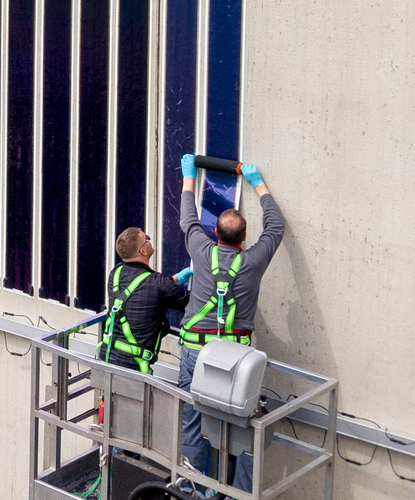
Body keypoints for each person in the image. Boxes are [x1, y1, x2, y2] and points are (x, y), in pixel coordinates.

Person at [175, 154, 286, 479]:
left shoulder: (200, 248)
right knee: (241, 422)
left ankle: (192, 486)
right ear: (245, 236)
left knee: (193, 418)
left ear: (216, 232)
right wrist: (258, 184)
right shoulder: (253, 262)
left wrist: (189, 177)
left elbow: (188, 220)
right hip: (235, 359)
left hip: (196, 353)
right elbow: (276, 227)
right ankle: (236, 499)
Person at [97, 226, 190, 375]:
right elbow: (192, 303)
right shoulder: (158, 284)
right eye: (146, 238)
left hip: (106, 357)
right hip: (133, 368)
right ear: (143, 251)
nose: (149, 239)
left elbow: (143, 292)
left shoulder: (115, 273)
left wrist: (173, 280)